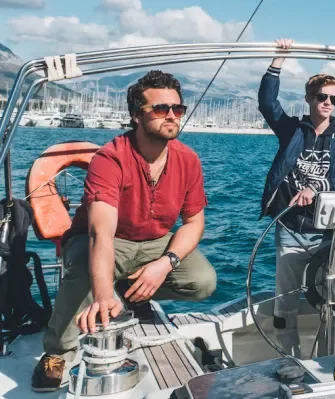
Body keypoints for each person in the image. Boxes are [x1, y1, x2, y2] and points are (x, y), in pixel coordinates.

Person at [32, 70, 216, 391]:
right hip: (109, 240)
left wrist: (165, 263)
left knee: (202, 282)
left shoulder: (189, 160)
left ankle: (129, 292)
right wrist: (103, 299)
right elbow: (100, 234)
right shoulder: (110, 158)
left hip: (155, 243)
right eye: (161, 109)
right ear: (136, 115)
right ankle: (58, 351)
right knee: (83, 275)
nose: (172, 116)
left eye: (177, 109)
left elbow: (194, 222)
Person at [258, 38, 335, 358]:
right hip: (290, 229)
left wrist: (319, 188)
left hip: (327, 234)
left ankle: (331, 360)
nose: (328, 102)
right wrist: (278, 60)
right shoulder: (292, 131)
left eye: (333, 98)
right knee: (285, 304)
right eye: (322, 96)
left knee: (334, 300)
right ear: (309, 99)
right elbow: (267, 103)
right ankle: (288, 361)